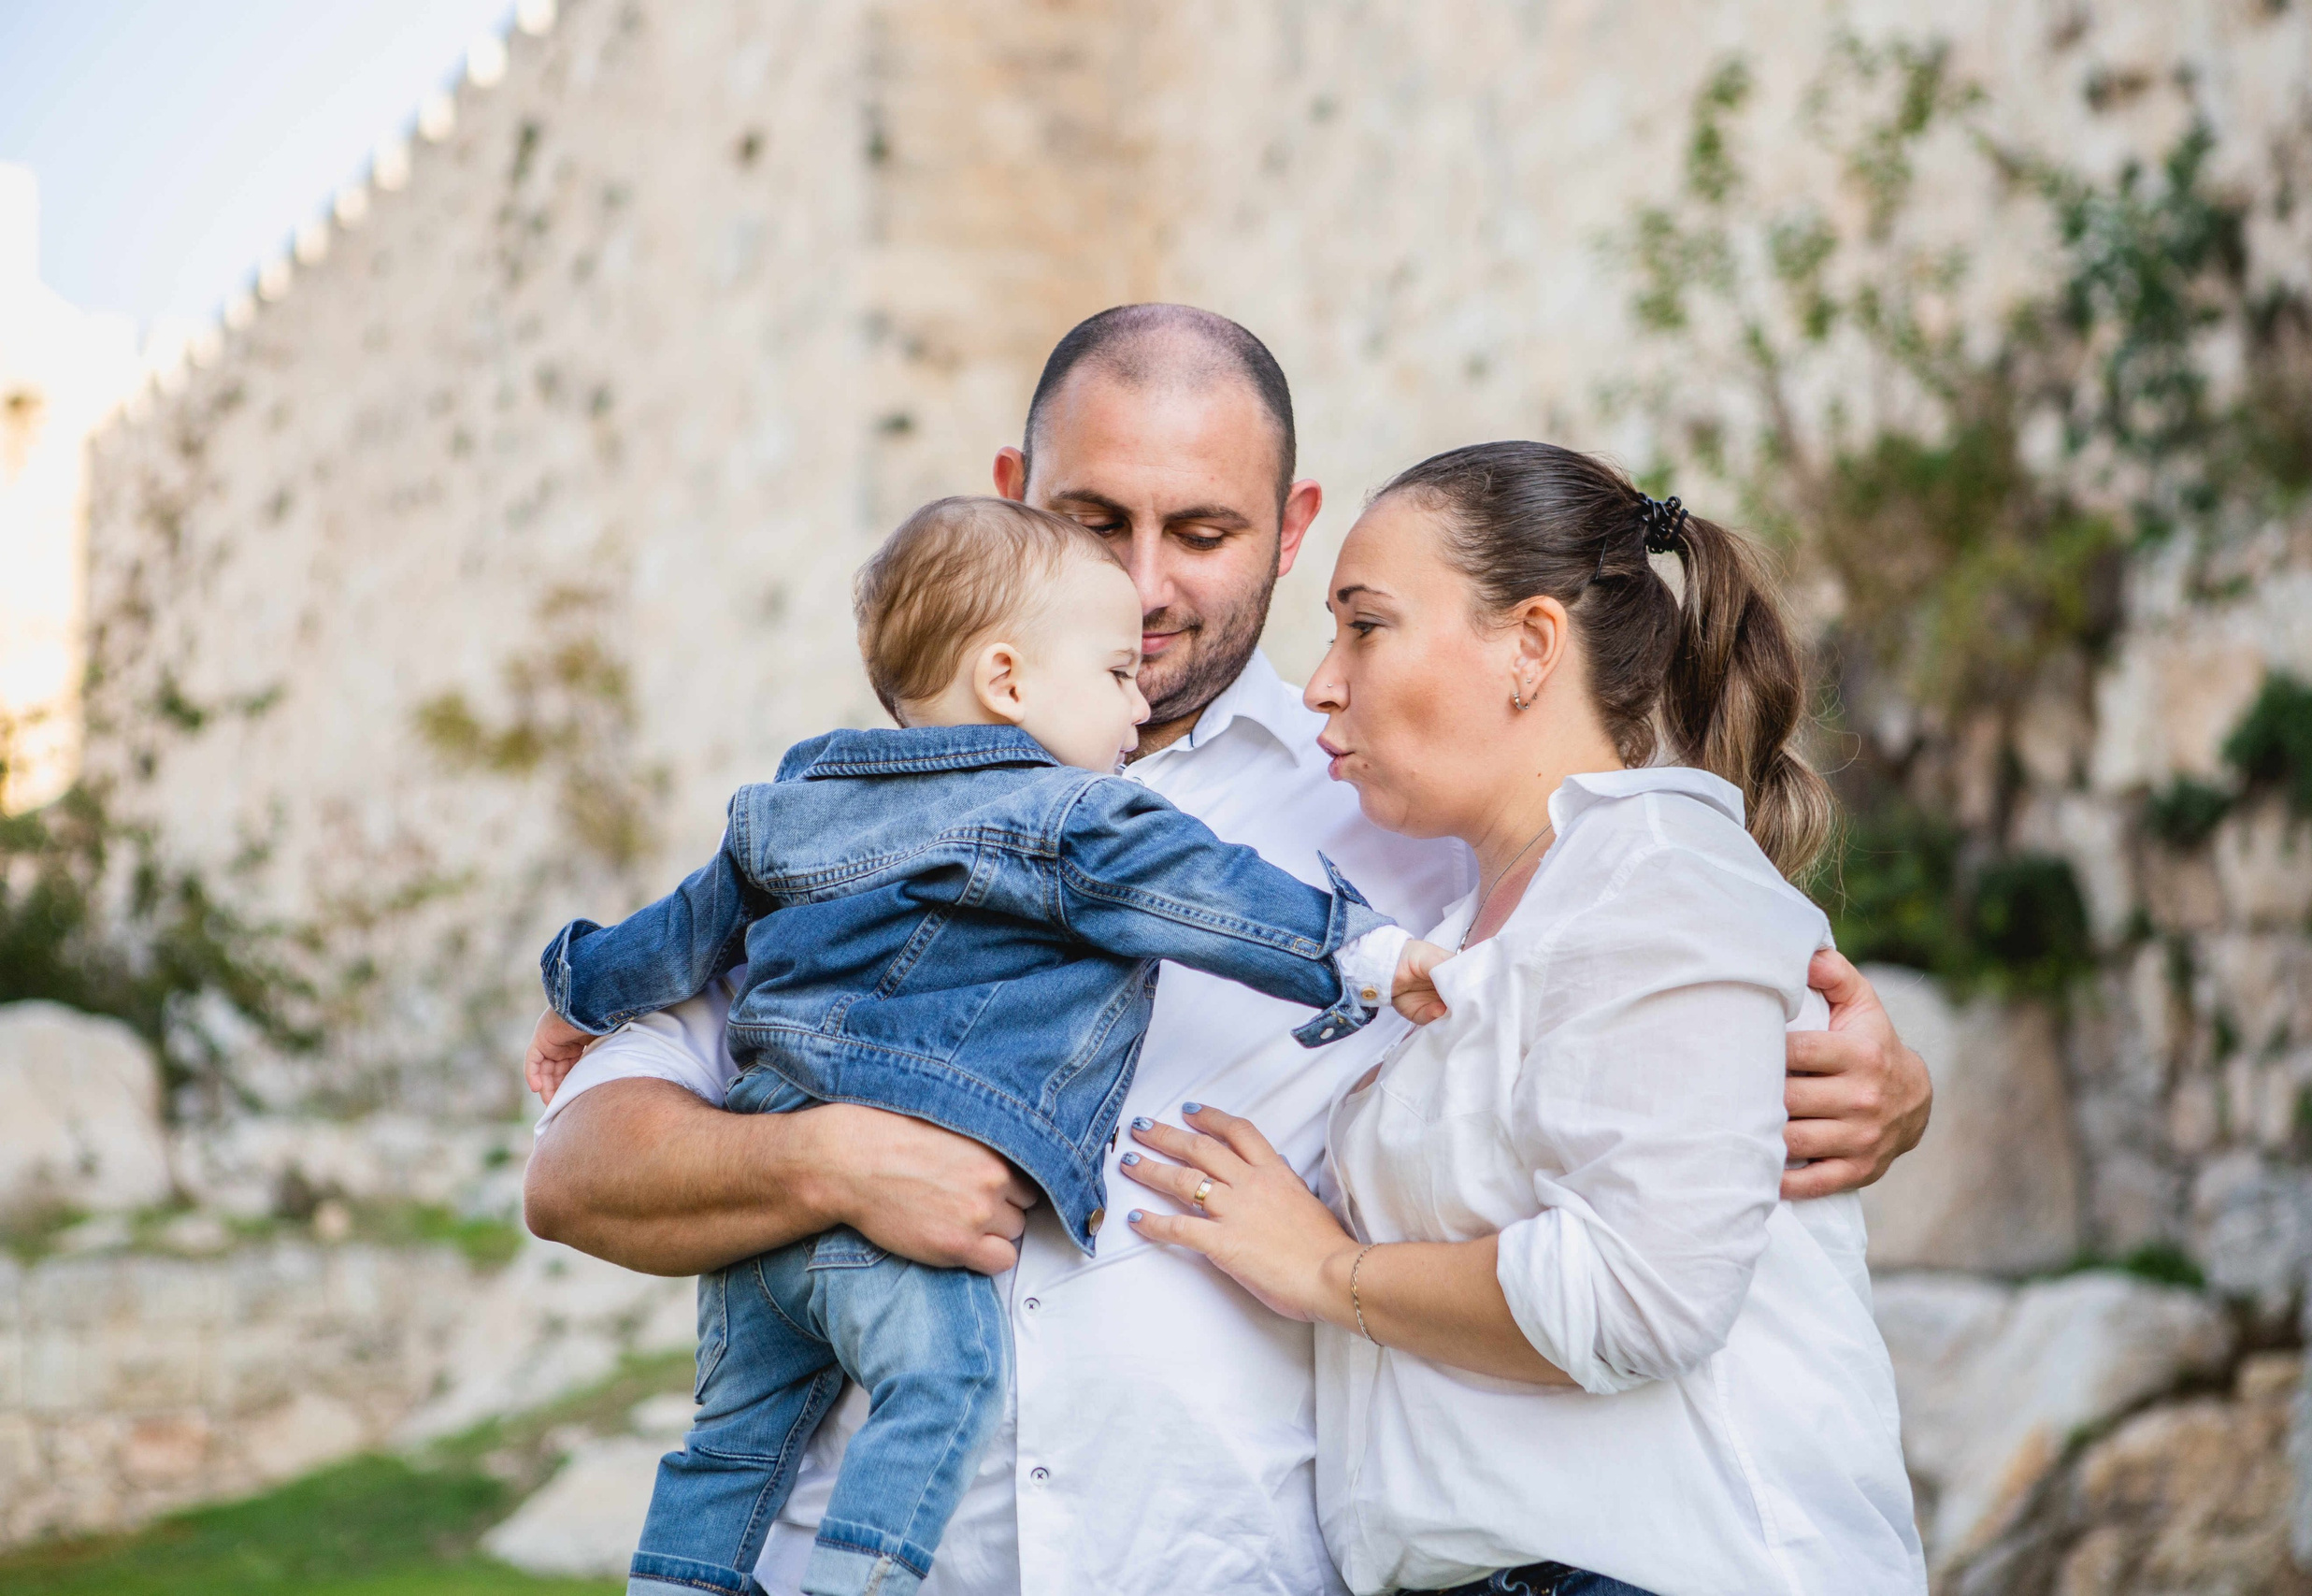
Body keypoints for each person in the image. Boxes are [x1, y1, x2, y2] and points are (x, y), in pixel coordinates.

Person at [522, 305, 1935, 1596]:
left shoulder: (1401, 810)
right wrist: (826, 1160)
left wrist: (1869, 1080)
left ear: (1290, 525)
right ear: (1008, 493)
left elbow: (1639, 961)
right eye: (1092, 518)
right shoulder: (849, 813)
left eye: (1200, 532)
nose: (1143, 585)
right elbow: (578, 1172)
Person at [522, 496, 1447, 1596]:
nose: (1134, 694)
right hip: (898, 1238)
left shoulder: (794, 798)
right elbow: (1217, 900)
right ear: (1008, 682)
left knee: (730, 1447)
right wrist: (1370, 959)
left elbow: (669, 939)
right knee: (948, 1390)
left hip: (754, 1254)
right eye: (1112, 675)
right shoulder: (1067, 813)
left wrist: (576, 991)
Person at [1116, 442, 1924, 1594]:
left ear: (1531, 646)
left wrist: (1328, 1271)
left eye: (1365, 625)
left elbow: (1638, 1293)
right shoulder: (1479, 920)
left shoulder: (1659, 881)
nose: (1321, 685)